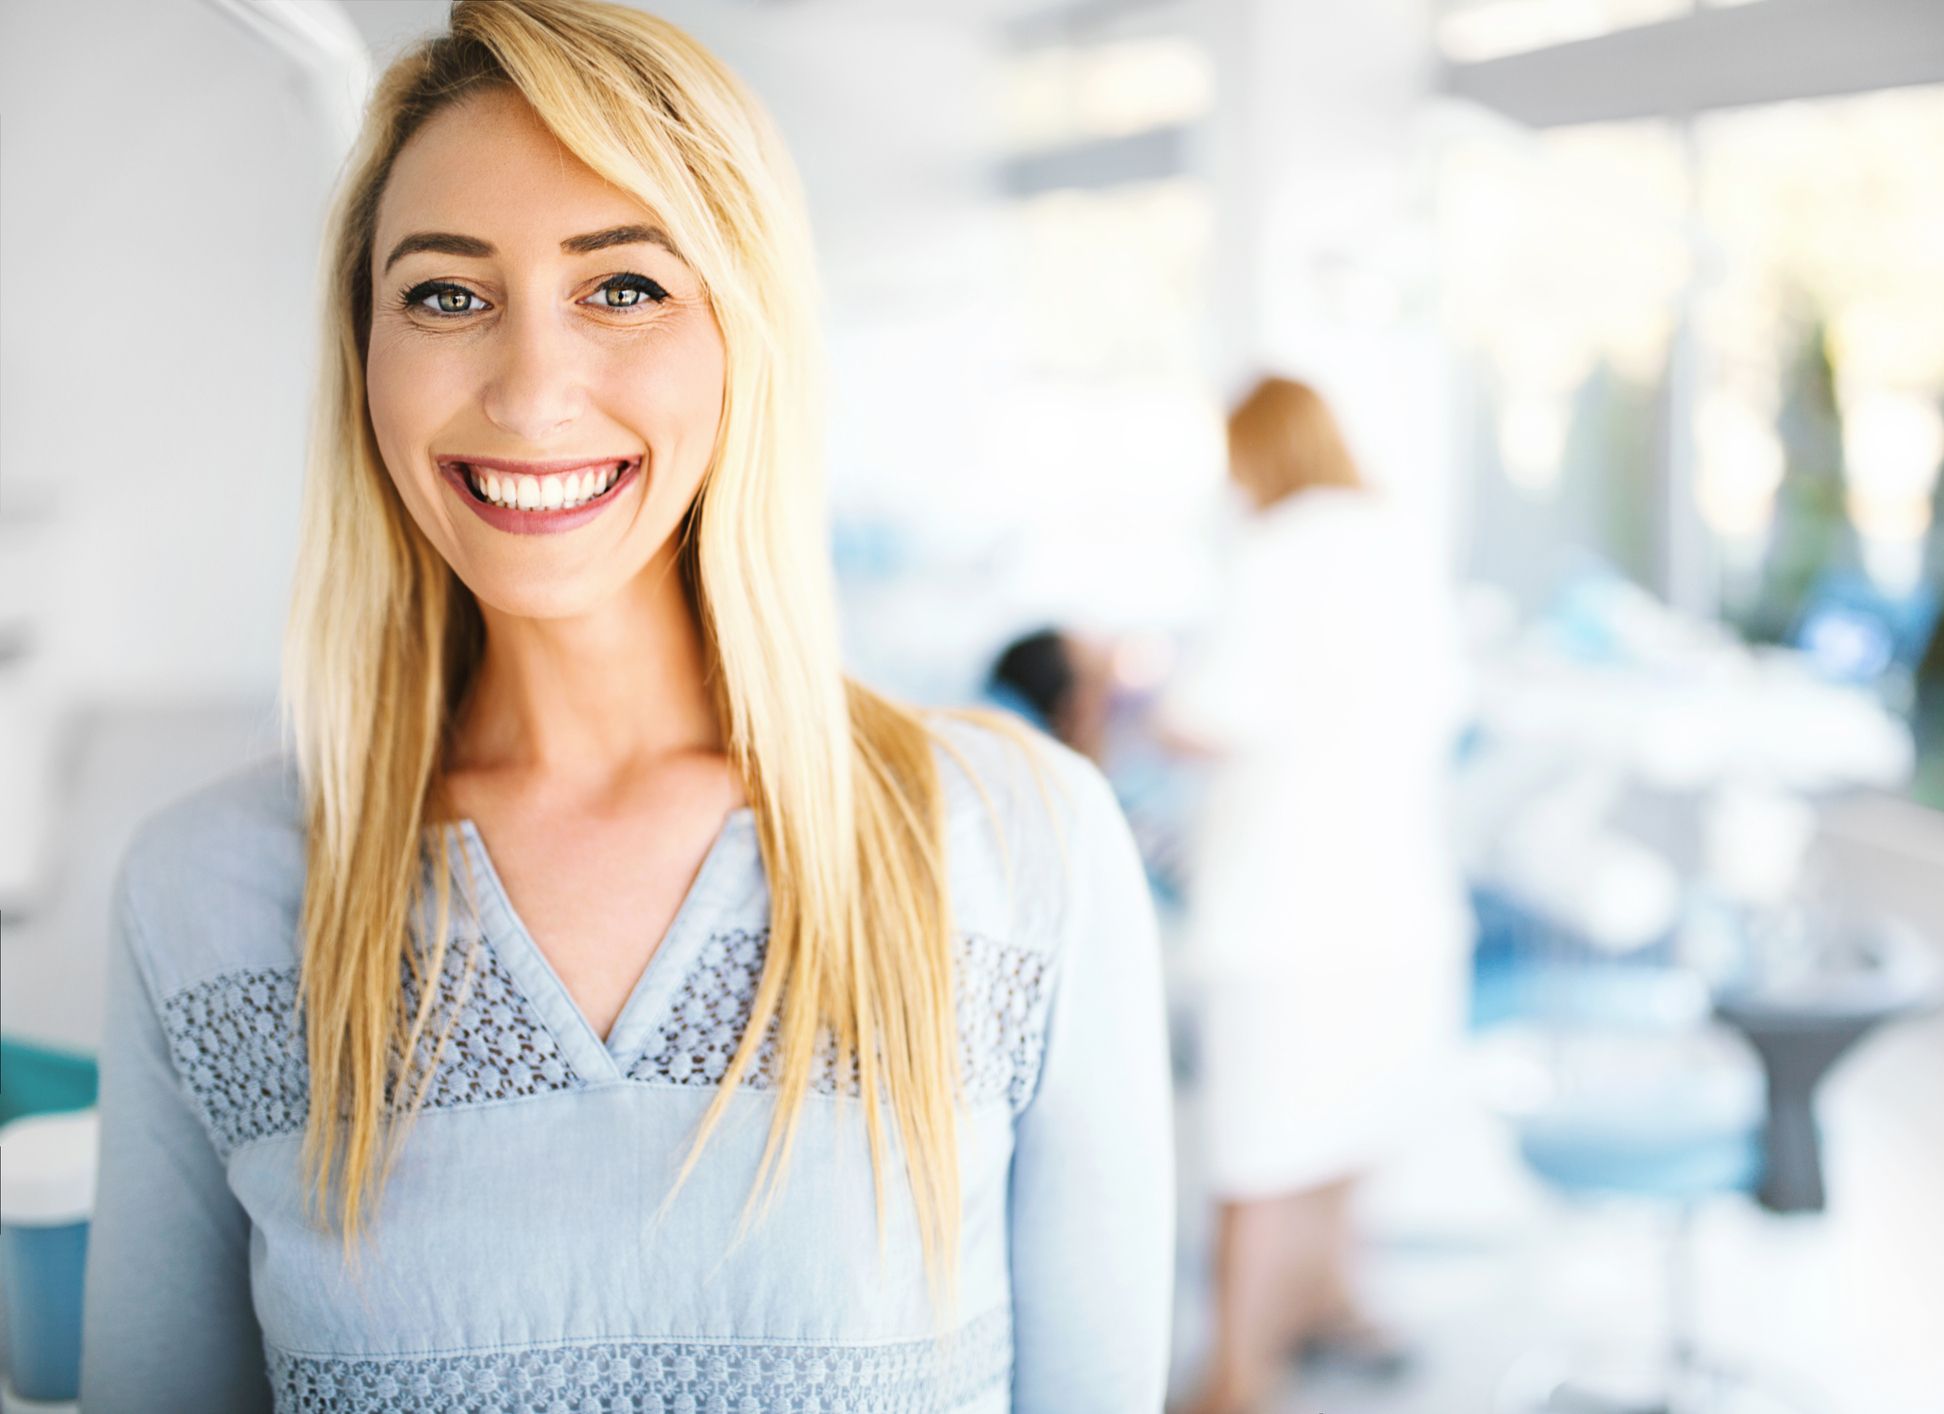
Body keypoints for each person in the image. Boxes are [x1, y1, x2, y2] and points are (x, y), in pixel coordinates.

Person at [76, 3, 1173, 1409]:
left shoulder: (1025, 850)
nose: (532, 393)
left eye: (626, 287)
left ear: (746, 331)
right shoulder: (204, 891)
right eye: (446, 294)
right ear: (364, 356)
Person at [1158, 376, 1471, 1414]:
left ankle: (1235, 1378)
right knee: (1349, 1118)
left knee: (1254, 1149)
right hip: (1397, 895)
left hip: (1283, 910)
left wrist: (1144, 695)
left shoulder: (1275, 549)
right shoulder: (1396, 537)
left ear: (1260, 452)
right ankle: (1332, 1302)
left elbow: (1207, 714)